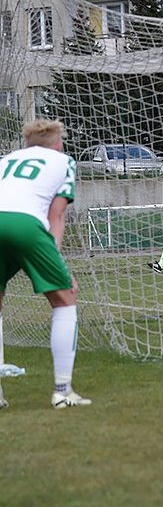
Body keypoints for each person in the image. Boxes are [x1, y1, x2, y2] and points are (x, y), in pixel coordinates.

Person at [0, 120, 90, 409]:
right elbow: (56, 217)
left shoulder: (6, 160)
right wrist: (59, 267)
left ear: (26, 146)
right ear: (58, 144)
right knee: (65, 299)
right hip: (25, 223)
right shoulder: (64, 161)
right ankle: (62, 392)